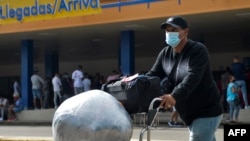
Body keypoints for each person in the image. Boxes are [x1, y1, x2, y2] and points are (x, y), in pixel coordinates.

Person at [146, 16, 223, 141]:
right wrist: (133, 85)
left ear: (185, 32)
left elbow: (193, 77)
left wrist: (174, 95)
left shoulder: (197, 50)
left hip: (207, 111)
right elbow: (153, 75)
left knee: (197, 138)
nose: (169, 33)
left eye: (174, 30)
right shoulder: (165, 54)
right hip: (189, 113)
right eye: (167, 30)